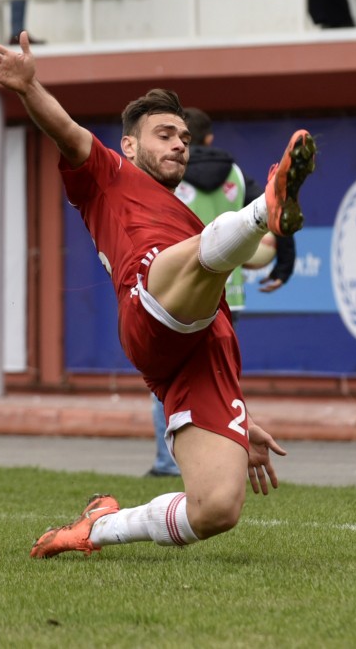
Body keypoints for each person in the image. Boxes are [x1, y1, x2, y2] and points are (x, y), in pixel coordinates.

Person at [0, 32, 317, 557]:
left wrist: (237, 421)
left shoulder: (187, 217)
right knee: (197, 256)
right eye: (164, 134)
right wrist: (28, 87)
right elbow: (66, 131)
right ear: (130, 146)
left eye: (184, 136)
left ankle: (98, 528)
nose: (179, 144)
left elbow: (223, 273)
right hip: (149, 308)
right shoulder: (108, 175)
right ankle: (261, 208)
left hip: (203, 347)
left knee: (217, 508)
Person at [148, 106, 298, 478]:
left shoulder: (168, 173)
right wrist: (283, 265)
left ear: (183, 140)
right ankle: (224, 454)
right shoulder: (236, 175)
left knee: (168, 380)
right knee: (218, 379)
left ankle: (168, 461)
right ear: (211, 138)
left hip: (180, 295)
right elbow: (276, 209)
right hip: (229, 296)